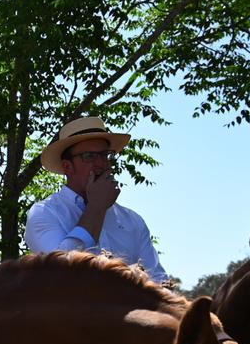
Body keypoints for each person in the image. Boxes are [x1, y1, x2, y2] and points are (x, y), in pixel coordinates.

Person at [25, 116, 169, 283]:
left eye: (105, 155)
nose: (101, 163)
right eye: (89, 156)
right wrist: (96, 208)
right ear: (67, 167)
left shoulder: (132, 221)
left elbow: (159, 282)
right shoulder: (44, 213)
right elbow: (61, 271)